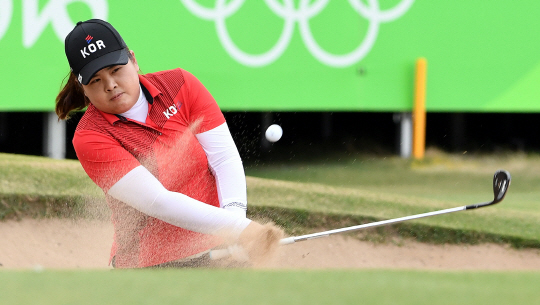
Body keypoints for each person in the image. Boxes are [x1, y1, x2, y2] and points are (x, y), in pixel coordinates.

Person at [55, 19, 283, 268]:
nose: (110, 85)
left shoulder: (180, 85)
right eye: (95, 80)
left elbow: (224, 158)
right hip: (149, 268)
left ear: (133, 59)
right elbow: (157, 201)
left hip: (220, 253)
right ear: (82, 87)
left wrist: (235, 225)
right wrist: (239, 229)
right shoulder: (91, 136)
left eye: (115, 69)